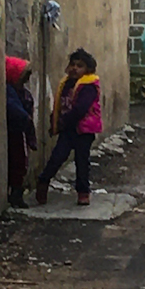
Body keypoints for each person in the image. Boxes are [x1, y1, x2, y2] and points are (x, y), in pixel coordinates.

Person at [36, 48, 102, 207]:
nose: (74, 68)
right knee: (57, 157)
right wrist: (55, 122)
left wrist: (63, 122)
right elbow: (59, 106)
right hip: (68, 129)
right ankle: (43, 182)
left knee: (82, 161)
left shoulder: (89, 86)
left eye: (79, 66)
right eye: (72, 64)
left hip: (84, 130)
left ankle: (83, 192)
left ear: (88, 70)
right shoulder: (65, 84)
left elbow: (80, 109)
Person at [5, 56, 37, 208]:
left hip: (19, 131)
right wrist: (26, 121)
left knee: (19, 162)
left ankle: (16, 191)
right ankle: (16, 193)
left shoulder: (19, 92)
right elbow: (17, 111)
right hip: (16, 132)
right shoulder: (10, 92)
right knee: (18, 162)